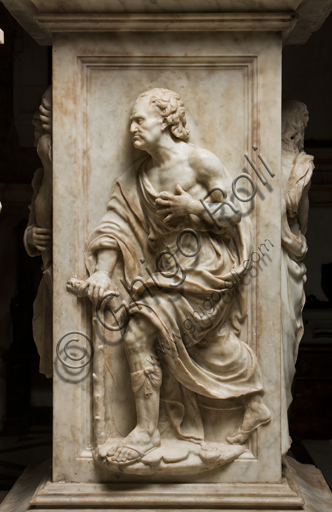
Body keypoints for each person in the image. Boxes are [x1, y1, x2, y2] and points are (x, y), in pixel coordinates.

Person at [79, 88, 270, 465]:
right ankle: (255, 401)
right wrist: (102, 271)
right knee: (207, 344)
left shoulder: (199, 161)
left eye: (139, 120)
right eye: (130, 121)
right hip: (167, 271)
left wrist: (194, 207)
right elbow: (113, 226)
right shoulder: (137, 177)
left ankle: (148, 432)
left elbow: (236, 209)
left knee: (140, 332)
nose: (132, 128)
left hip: (205, 268)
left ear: (165, 121)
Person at [280, 99, 314, 454]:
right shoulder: (302, 166)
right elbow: (301, 224)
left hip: (266, 262)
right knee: (284, 344)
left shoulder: (257, 167)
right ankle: (276, 433)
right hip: (281, 265)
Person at [24, 86, 53, 378]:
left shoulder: (56, 170)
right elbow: (34, 223)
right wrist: (30, 238)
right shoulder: (40, 177)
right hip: (50, 273)